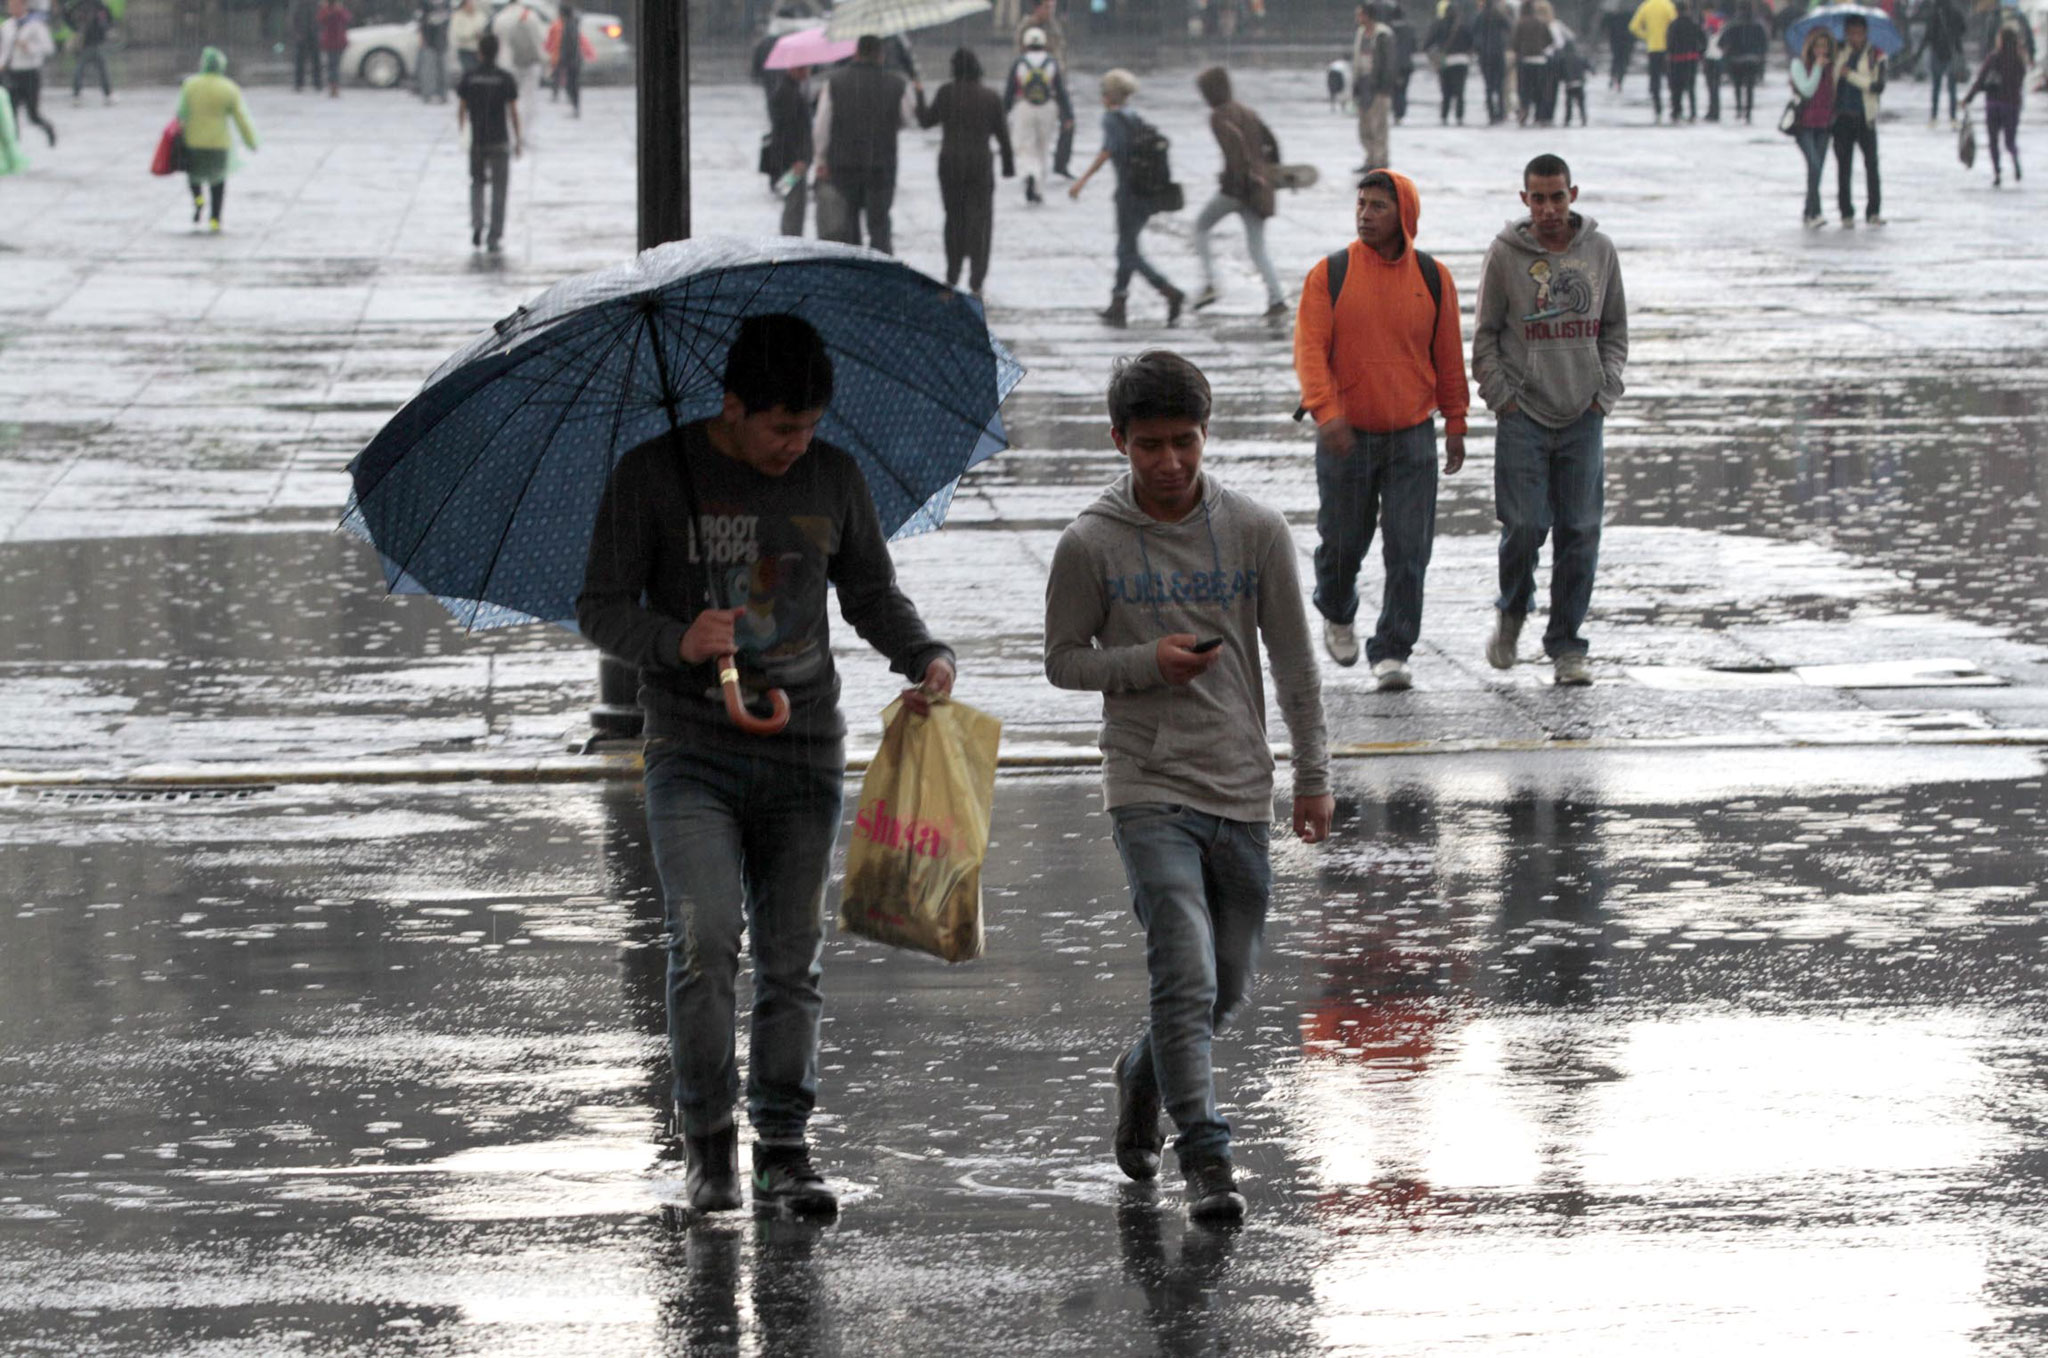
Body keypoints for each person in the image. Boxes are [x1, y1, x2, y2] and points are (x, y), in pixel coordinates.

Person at [576, 313, 958, 1220]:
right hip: (692, 753)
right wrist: (675, 639)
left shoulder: (833, 477)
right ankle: (707, 1144)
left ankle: (784, 1147)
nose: (796, 446)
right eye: (779, 428)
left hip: (803, 753)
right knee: (705, 942)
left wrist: (924, 655)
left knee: (793, 958)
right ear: (733, 406)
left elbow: (868, 589)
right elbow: (599, 606)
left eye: (810, 426)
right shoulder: (652, 476)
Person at [1043, 349, 1333, 1227]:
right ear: (1119, 442)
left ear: (1207, 436)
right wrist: (1147, 664)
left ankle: (1144, 1074)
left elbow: (1294, 662)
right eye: (1150, 447)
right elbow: (1062, 662)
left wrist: (1314, 776)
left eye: (1185, 443)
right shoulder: (1089, 542)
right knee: (1182, 963)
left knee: (1226, 986)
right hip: (1145, 782)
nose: (1169, 463)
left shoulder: (1255, 531)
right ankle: (1206, 1153)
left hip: (1240, 784)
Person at [1294, 170, 1468, 691]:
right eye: (1361, 204)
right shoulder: (1331, 274)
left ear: (1404, 217)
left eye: (1377, 207)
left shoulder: (1434, 278)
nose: (1364, 214)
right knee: (1343, 543)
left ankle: (1393, 649)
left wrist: (1455, 420)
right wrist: (1327, 413)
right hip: (1345, 436)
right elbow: (1309, 352)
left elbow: (1448, 356)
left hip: (1412, 435)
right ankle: (1338, 607)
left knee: (1410, 548)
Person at [1471, 154, 1629, 687]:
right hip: (1524, 417)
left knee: (1580, 532)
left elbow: (1615, 328)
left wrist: (1604, 392)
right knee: (1525, 527)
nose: (1548, 208)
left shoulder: (1600, 252)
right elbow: (1486, 335)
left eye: (1557, 196)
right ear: (1524, 201)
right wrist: (1502, 398)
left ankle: (1566, 644)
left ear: (1573, 194)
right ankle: (1513, 610)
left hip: (1583, 415)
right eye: (1538, 198)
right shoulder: (1505, 254)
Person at [1069, 68, 1186, 328]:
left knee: (1127, 251)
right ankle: (1118, 302)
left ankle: (1169, 291)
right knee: (1127, 248)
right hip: (1145, 192)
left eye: (1103, 91)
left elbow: (1108, 151)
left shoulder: (1111, 119)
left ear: (1110, 95)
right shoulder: (1134, 117)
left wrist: (1082, 181)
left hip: (1128, 193)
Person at [1190, 66, 1287, 322]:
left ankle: (1210, 282)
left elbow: (1234, 152)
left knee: (1200, 227)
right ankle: (1277, 298)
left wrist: (1232, 180)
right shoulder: (1247, 111)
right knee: (1257, 248)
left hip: (1237, 189)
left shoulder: (1219, 117)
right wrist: (1270, 173)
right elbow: (1272, 143)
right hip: (1258, 189)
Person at [916, 47, 1013, 296]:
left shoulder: (946, 93)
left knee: (954, 218)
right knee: (980, 220)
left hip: (950, 164)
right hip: (980, 163)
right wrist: (1008, 166)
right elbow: (1003, 134)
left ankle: (952, 273)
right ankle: (977, 280)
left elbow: (926, 121)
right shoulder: (990, 97)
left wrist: (918, 95)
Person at [812, 33, 918, 253]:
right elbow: (908, 119)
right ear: (881, 55)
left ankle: (854, 268)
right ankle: (882, 271)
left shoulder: (835, 83)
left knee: (848, 223)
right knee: (879, 224)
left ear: (856, 53)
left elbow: (822, 126)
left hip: (843, 165)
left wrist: (820, 159)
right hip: (881, 165)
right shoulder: (896, 83)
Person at [174, 46, 257, 232]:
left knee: (194, 178)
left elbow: (180, 114)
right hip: (218, 145)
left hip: (193, 142)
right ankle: (215, 218)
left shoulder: (191, 85)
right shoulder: (228, 88)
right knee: (217, 182)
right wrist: (251, 141)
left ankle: (198, 201)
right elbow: (241, 118)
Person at [456, 29, 520, 251]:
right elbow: (513, 112)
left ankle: (477, 224)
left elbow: (461, 110)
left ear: (480, 53)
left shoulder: (470, 77)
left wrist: (463, 132)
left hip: (478, 140)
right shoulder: (505, 78)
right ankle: (495, 233)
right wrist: (518, 139)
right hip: (499, 139)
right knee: (499, 189)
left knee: (477, 183)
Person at [1004, 24, 1072, 205]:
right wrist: (1068, 116)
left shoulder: (1019, 62)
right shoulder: (1051, 62)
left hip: (1024, 107)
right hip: (1048, 108)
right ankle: (1038, 190)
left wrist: (1003, 113)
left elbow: (1010, 91)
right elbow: (1061, 91)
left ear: (1025, 43)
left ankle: (1029, 173)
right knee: (1043, 148)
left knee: (1024, 146)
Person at [1831, 13, 1885, 227]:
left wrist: (1851, 75)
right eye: (1851, 33)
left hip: (1865, 117)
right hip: (1841, 117)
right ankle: (1846, 212)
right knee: (1844, 167)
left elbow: (1877, 86)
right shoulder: (1838, 52)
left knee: (1871, 165)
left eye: (1859, 34)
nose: (1855, 38)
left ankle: (1873, 211)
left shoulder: (1875, 55)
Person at [1963, 22, 2028, 186]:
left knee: (1993, 141)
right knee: (2010, 141)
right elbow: (2020, 81)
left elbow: (1980, 80)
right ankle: (2014, 159)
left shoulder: (1994, 57)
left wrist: (1968, 98)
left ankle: (1997, 172)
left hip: (1993, 104)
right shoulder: (2019, 60)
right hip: (2012, 104)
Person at [1788, 27, 1836, 226]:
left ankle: (1810, 212)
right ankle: (1813, 212)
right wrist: (1817, 68)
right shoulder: (1798, 65)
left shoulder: (1831, 67)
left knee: (1816, 170)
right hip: (1804, 125)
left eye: (1824, 47)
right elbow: (1807, 90)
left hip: (1824, 125)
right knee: (1814, 165)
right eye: (1817, 46)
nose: (1821, 51)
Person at [763, 65, 813, 236]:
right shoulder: (788, 93)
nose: (808, 72)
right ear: (795, 69)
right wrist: (798, 159)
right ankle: (791, 241)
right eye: (805, 69)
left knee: (793, 203)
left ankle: (790, 237)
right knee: (794, 205)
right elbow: (789, 131)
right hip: (792, 161)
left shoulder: (789, 90)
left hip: (789, 159)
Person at [0, 0, 56, 147]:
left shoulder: (36, 25)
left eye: (16, 5)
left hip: (30, 73)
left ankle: (49, 129)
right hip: (12, 74)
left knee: (33, 115)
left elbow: (48, 48)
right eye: (10, 6)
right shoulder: (7, 26)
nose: (12, 9)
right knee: (11, 114)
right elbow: (5, 50)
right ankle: (14, 146)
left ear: (24, 6)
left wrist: (29, 48)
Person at [1353, 1, 1396, 168]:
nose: (1357, 18)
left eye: (1360, 14)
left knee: (1378, 126)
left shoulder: (1383, 35)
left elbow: (1389, 63)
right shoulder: (1361, 34)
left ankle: (1380, 160)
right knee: (1364, 126)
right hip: (1363, 82)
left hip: (1378, 85)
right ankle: (1370, 157)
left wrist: (1385, 86)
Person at [1913, 0, 1966, 125]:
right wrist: (1954, 37)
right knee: (1952, 87)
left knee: (1936, 87)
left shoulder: (1934, 13)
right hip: (1951, 52)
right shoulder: (1955, 12)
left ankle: (1934, 116)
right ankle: (1953, 117)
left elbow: (1928, 35)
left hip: (1937, 52)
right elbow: (1963, 28)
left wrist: (1919, 53)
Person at [1425, 0, 1475, 124]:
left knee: (1446, 91)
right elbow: (1472, 42)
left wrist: (1434, 53)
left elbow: (1427, 43)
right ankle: (1459, 116)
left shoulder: (1439, 25)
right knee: (1460, 91)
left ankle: (1444, 115)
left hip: (1445, 61)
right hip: (1461, 61)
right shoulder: (1463, 26)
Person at [1720, 0, 1768, 122]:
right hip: (1752, 59)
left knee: (1737, 86)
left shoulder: (1732, 24)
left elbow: (1722, 42)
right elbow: (1764, 43)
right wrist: (1760, 56)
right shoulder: (1758, 25)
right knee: (1750, 87)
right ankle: (1748, 112)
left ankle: (1739, 108)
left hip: (1736, 60)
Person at [1628, 0, 1676, 121]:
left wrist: (1646, 35)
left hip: (1652, 48)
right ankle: (1674, 106)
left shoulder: (1646, 6)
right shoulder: (1668, 5)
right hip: (1667, 48)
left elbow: (1633, 27)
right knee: (1671, 79)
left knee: (1655, 80)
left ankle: (1657, 108)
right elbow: (1674, 24)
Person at [545, 1, 593, 115]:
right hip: (571, 59)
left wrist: (563, 59)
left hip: (571, 60)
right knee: (570, 84)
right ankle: (575, 107)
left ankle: (576, 108)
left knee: (571, 84)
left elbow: (569, 45)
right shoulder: (570, 24)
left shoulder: (569, 25)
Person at [1512, 0, 1553, 124]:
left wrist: (1520, 50)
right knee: (1540, 89)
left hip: (1525, 60)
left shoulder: (1520, 23)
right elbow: (1550, 40)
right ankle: (1539, 115)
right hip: (1540, 60)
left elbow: (1514, 43)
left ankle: (1524, 111)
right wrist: (1540, 47)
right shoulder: (1542, 23)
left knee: (1524, 89)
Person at [65, 0, 112, 104]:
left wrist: (75, 28)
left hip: (87, 42)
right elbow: (108, 19)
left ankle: (77, 94)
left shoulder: (79, 5)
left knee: (81, 70)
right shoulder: (98, 5)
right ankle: (107, 94)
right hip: (92, 42)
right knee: (101, 70)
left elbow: (67, 15)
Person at [1475, 0, 1512, 121]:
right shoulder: (1499, 15)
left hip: (1485, 55)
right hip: (1498, 53)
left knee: (1488, 85)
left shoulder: (1480, 16)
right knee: (1500, 85)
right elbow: (1509, 27)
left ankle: (1491, 113)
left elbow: (1474, 34)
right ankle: (1501, 112)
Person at [1665, 0, 1702, 120]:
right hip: (1691, 59)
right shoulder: (1693, 24)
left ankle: (1677, 110)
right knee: (1691, 87)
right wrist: (1699, 53)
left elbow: (1669, 42)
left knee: (1676, 87)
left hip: (1676, 60)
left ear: (1676, 11)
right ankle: (1693, 111)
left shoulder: (1673, 25)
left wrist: (1670, 53)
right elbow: (1703, 40)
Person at [1387, 1, 1419, 120]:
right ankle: (1401, 110)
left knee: (1395, 90)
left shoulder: (1388, 30)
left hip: (1393, 65)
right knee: (1403, 89)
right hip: (1406, 65)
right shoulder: (1409, 29)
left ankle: (1398, 111)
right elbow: (1414, 47)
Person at [416, 0, 450, 103]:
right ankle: (427, 94)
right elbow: (421, 22)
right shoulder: (424, 3)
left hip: (442, 42)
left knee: (442, 70)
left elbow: (448, 21)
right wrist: (422, 38)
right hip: (429, 41)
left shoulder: (446, 3)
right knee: (428, 70)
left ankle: (442, 94)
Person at [315, 0, 351, 97]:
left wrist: (339, 10)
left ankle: (334, 85)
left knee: (335, 65)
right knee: (332, 65)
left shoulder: (340, 11)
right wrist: (328, 9)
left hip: (339, 42)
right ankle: (333, 86)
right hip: (330, 42)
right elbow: (320, 19)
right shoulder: (325, 11)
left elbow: (347, 19)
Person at [287, 0, 321, 91]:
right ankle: (299, 83)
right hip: (302, 36)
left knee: (316, 61)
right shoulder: (299, 4)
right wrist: (296, 34)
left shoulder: (316, 4)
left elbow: (321, 19)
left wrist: (319, 33)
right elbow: (293, 19)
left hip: (314, 36)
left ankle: (317, 83)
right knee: (300, 61)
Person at [1559, 28, 1591, 122]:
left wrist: (1561, 78)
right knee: (1581, 103)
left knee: (1568, 103)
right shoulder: (1579, 57)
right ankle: (1583, 117)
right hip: (1579, 83)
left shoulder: (1563, 60)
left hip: (1569, 84)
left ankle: (1567, 118)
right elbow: (1587, 65)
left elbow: (1560, 72)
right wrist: (1592, 71)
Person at [1602, 3, 1634, 89]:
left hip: (1616, 40)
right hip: (1625, 41)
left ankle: (1614, 78)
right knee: (1623, 61)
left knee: (1616, 60)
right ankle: (1619, 80)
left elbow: (1604, 25)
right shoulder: (1629, 15)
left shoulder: (1612, 16)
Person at [449, 0, 485, 76]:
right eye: (469, 4)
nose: (471, 5)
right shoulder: (457, 16)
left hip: (479, 50)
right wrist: (473, 34)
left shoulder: (480, 15)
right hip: (465, 50)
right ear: (464, 5)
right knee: (469, 73)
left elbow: (484, 28)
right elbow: (459, 34)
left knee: (480, 73)